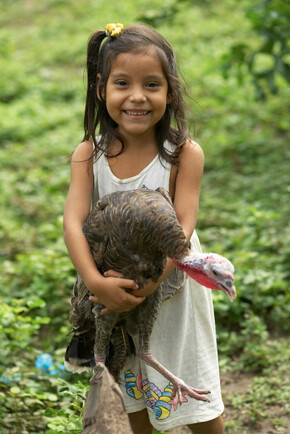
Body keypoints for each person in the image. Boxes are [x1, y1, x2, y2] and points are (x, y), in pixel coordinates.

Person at [63, 22, 225, 434]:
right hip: (109, 286)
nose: (137, 97)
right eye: (122, 83)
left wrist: (151, 285)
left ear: (169, 91)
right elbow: (73, 222)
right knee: (131, 396)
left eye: (152, 84)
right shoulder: (89, 154)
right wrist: (96, 283)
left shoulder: (183, 153)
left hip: (172, 292)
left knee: (199, 402)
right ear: (101, 88)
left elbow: (184, 227)